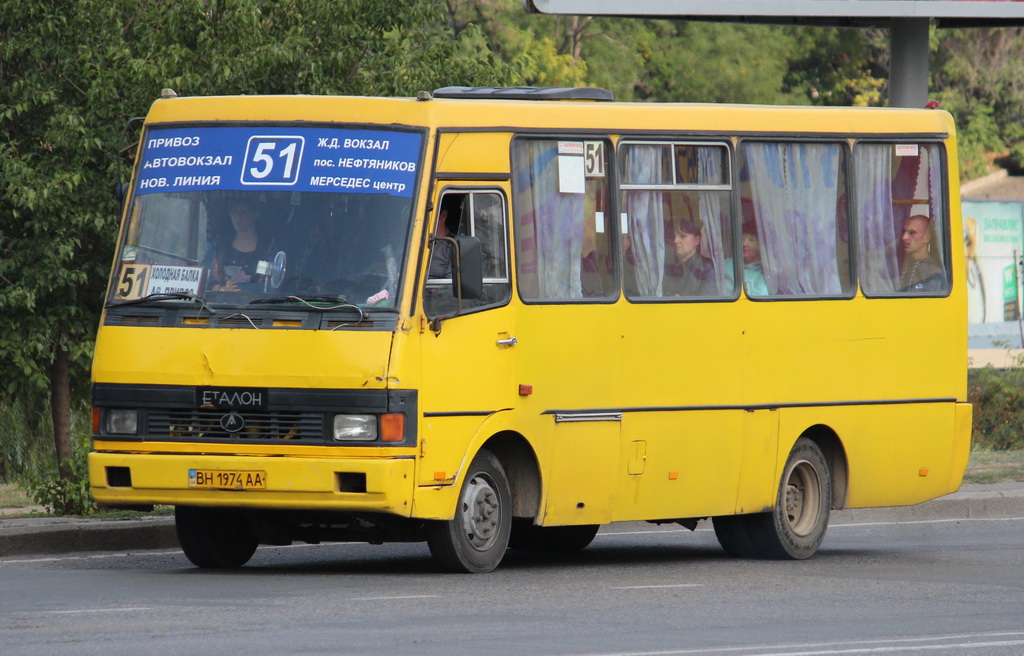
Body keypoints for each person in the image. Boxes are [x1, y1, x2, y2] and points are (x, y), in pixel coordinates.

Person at [209, 199, 272, 292]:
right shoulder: (219, 245)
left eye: (244, 211)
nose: (238, 216)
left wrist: (238, 289)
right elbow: (205, 278)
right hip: (219, 304)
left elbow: (273, 285)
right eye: (234, 211)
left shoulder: (269, 247)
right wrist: (221, 289)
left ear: (256, 213)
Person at [663, 218, 716, 296]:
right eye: (674, 236)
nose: (676, 240)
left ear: (696, 240)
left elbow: (706, 303)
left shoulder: (706, 268)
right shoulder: (667, 267)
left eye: (683, 236)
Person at [898, 214, 944, 292]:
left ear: (926, 238)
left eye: (912, 233)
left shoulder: (933, 272)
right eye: (904, 232)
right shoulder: (899, 263)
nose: (904, 237)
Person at [428, 196, 463, 279]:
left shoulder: (454, 245)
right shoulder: (406, 243)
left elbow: (450, 287)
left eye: (427, 217)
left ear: (443, 216)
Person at [742, 220, 769, 296]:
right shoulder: (726, 265)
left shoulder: (766, 272)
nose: (744, 244)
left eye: (751, 240)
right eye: (742, 239)